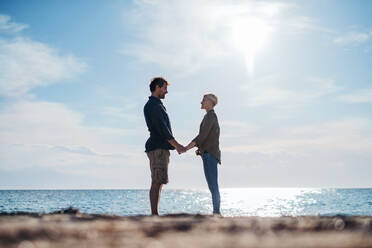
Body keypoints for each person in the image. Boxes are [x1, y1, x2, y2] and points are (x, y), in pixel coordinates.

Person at [143, 77, 186, 216]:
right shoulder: (153, 105)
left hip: (160, 147)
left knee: (159, 181)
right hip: (157, 148)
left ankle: (155, 213)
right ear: (157, 87)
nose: (166, 91)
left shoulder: (157, 105)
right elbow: (162, 129)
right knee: (156, 181)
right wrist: (177, 145)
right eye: (165, 88)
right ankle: (154, 214)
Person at [185, 94, 221, 215]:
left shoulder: (211, 116)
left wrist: (186, 148)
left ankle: (216, 213)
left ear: (210, 102)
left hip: (210, 155)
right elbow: (205, 138)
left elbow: (202, 136)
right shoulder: (208, 116)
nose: (201, 102)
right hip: (208, 154)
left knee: (213, 186)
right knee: (212, 185)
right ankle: (216, 212)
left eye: (203, 100)